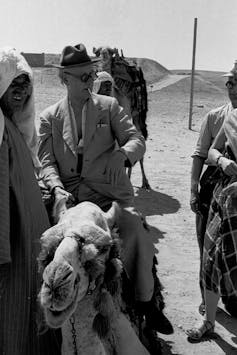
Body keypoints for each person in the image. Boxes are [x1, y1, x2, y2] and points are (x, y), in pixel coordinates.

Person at [38, 43, 173, 335]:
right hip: (72, 204)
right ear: (65, 79)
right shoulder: (49, 117)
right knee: (45, 246)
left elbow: (137, 140)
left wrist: (123, 154)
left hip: (111, 199)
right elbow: (46, 161)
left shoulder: (109, 107)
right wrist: (57, 187)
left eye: (92, 74)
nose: (90, 80)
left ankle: (147, 304)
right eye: (83, 76)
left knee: (137, 231)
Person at [0, 47, 61, 354]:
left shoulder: (13, 129)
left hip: (27, 244)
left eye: (26, 83)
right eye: (14, 83)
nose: (22, 90)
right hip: (11, 249)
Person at [187, 65, 237, 341]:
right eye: (230, 83)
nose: (232, 88)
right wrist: (220, 161)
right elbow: (203, 153)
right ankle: (208, 314)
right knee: (209, 254)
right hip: (218, 194)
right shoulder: (221, 117)